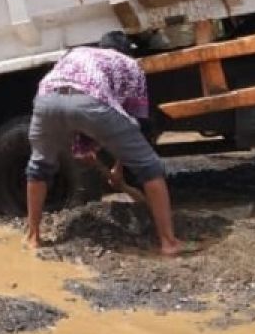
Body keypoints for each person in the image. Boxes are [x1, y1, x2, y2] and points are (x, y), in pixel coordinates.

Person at [25, 31, 185, 255]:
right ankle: (169, 242)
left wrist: (83, 148)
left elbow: (68, 108)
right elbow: (133, 122)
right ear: (125, 51)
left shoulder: (77, 51)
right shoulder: (129, 64)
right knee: (151, 168)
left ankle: (33, 237)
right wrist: (120, 166)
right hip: (90, 100)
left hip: (46, 100)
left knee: (40, 167)